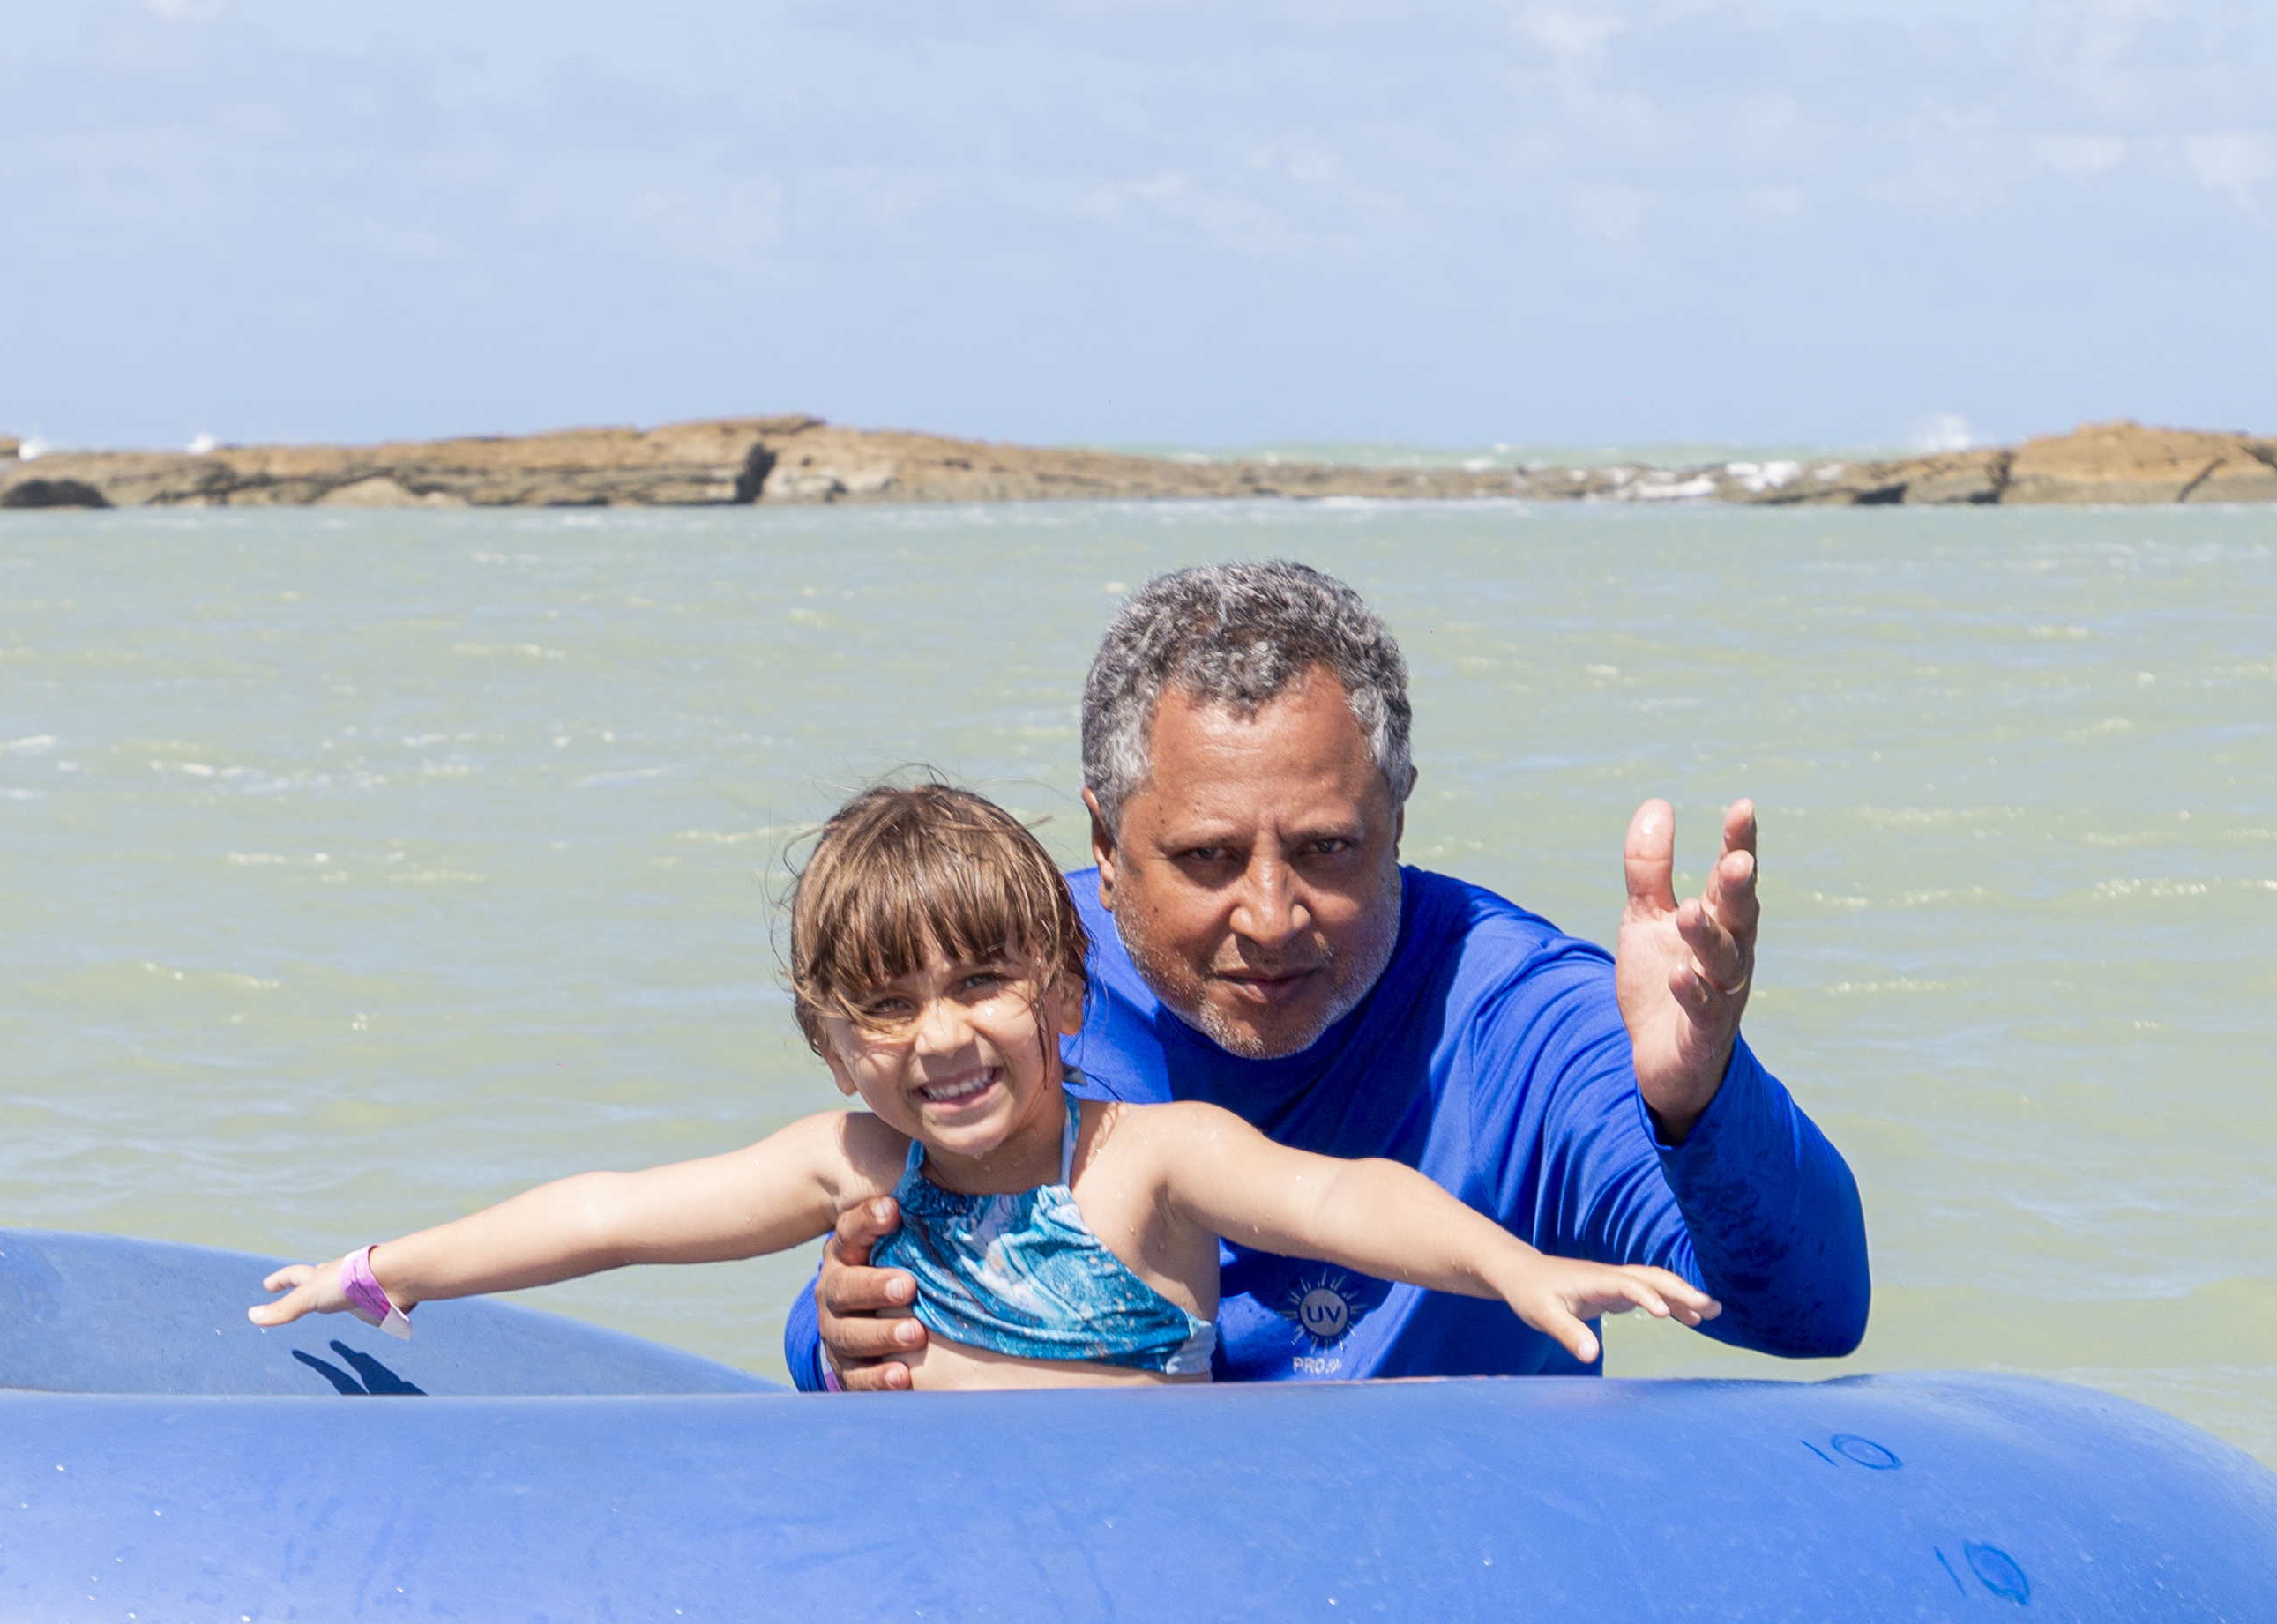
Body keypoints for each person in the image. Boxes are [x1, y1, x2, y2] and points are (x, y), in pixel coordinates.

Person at [798, 560, 1867, 1389]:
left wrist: (1700, 1101)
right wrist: (841, 1330)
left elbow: (1806, 1318)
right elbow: (846, 1277)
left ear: (1396, 822)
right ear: (1106, 839)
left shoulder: (1517, 1015)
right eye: (1207, 858)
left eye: (1326, 850)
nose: (1270, 919)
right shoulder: (1011, 992)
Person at [255, 778, 1713, 1383]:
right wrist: (388, 1271)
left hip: (1133, 1563)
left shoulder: (1149, 1158)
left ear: (1061, 990)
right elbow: (616, 1212)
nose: (939, 1039)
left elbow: (1347, 1197)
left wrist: (1514, 1265)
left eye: (978, 986)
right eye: (884, 1009)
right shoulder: (857, 1165)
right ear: (833, 1042)